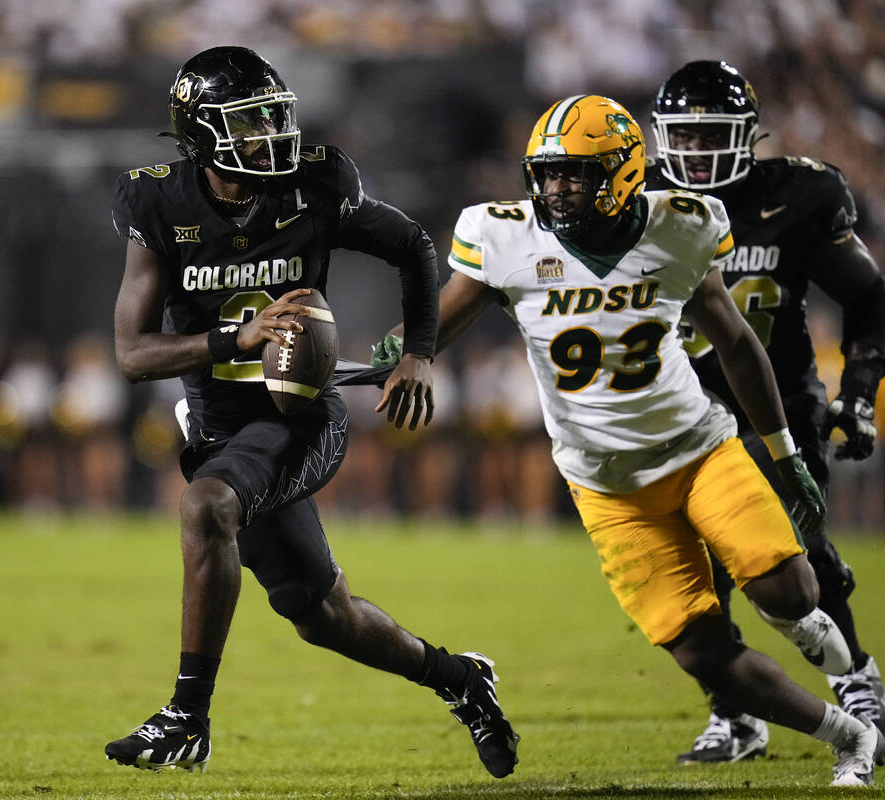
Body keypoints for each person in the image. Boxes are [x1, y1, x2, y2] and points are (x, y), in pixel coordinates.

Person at [375, 94, 882, 787]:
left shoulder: (681, 227)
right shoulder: (508, 237)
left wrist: (786, 453)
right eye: (548, 173)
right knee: (703, 653)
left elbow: (735, 341)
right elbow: (432, 327)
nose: (557, 189)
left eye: (576, 175)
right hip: (607, 486)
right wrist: (399, 352)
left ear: (622, 172)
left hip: (699, 449)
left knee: (789, 587)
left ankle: (826, 648)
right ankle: (849, 734)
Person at [103, 45, 519, 777]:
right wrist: (238, 336)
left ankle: (186, 719)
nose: (270, 136)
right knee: (323, 618)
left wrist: (421, 350)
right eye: (248, 123)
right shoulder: (156, 201)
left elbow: (413, 246)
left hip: (301, 417)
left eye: (272, 117)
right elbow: (133, 355)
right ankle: (463, 681)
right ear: (200, 135)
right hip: (220, 430)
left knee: (205, 507)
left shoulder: (316, 184)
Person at [645, 60, 885, 764]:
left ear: (748, 136)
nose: (692, 152)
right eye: (681, 137)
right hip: (678, 415)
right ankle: (736, 715)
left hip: (774, 408)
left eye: (709, 135)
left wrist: (859, 391)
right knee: (698, 573)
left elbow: (868, 296)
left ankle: (857, 683)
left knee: (791, 556)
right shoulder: (638, 201)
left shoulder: (801, 194)